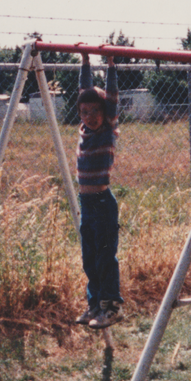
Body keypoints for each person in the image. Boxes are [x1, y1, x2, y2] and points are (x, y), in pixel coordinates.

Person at [74, 52, 124, 329]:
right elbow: (85, 90)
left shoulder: (108, 131)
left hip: (103, 202)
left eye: (96, 111)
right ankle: (94, 305)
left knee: (106, 255)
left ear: (106, 114)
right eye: (85, 112)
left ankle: (111, 306)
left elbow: (111, 97)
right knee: (89, 257)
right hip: (86, 203)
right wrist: (83, 60)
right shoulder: (83, 131)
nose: (90, 116)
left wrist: (111, 64)